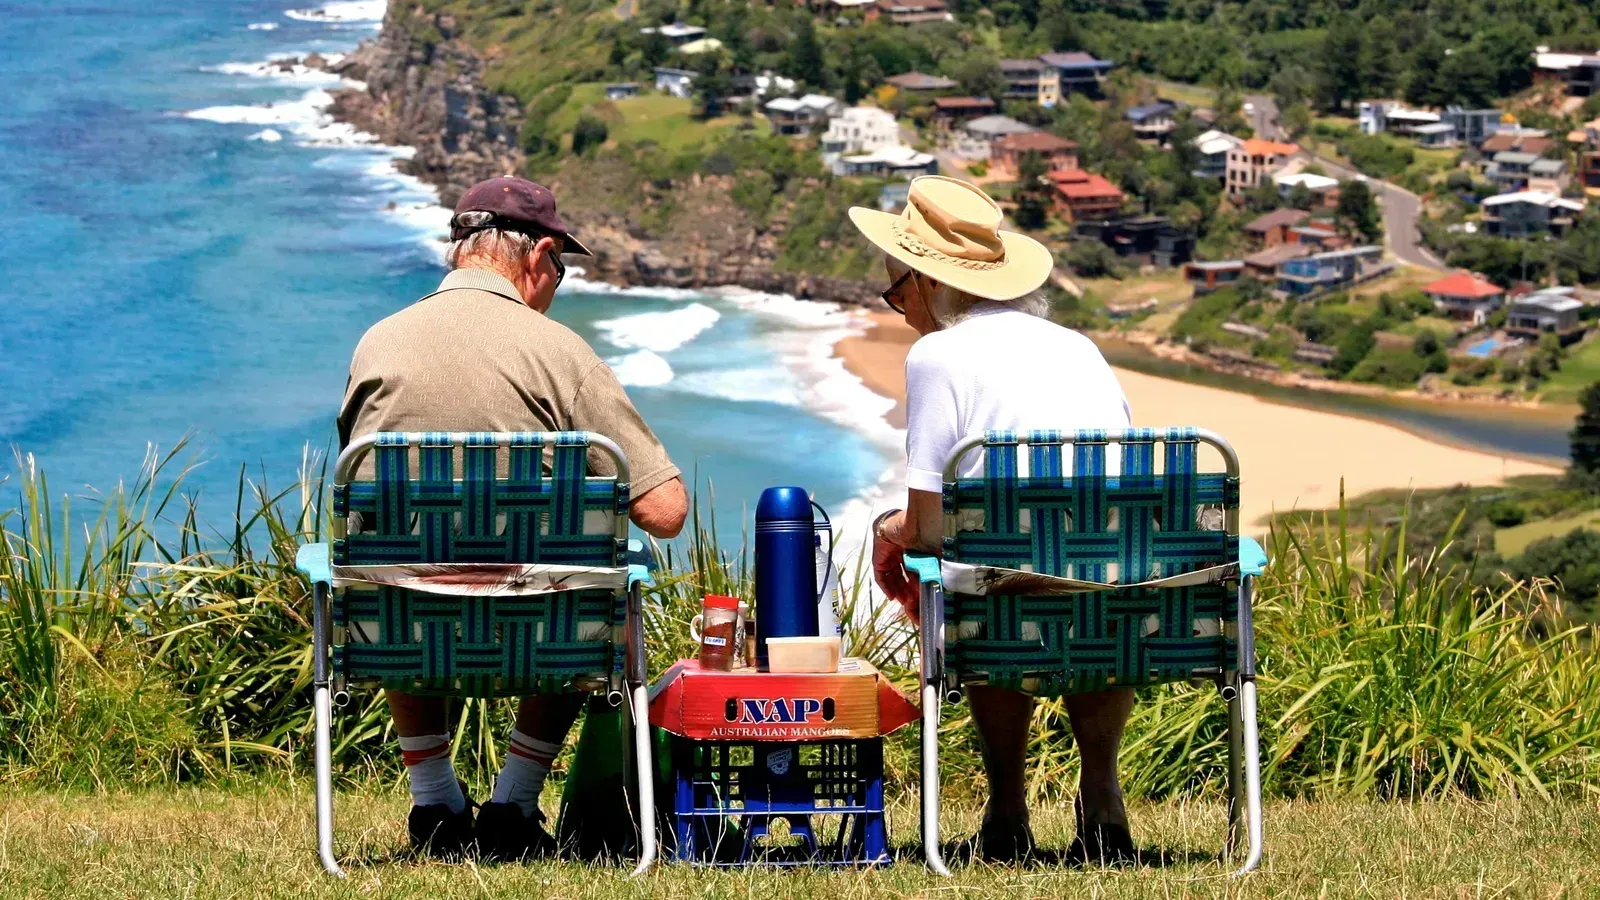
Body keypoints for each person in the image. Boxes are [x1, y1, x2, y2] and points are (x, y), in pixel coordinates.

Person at [337, 176, 689, 860]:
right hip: (544, 636)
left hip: (404, 629)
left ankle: (435, 805)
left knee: (400, 562)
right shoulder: (560, 352)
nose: (556, 284)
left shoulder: (376, 344)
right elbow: (665, 511)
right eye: (559, 268)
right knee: (582, 575)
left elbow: (368, 498)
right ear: (539, 256)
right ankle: (515, 805)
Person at [848, 176, 1135, 862]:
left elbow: (925, 528)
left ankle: (1007, 807)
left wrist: (886, 534)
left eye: (898, 293)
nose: (902, 311)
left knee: (986, 582)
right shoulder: (1078, 347)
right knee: (1071, 577)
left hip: (1006, 601)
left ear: (927, 283)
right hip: (1123, 599)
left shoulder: (939, 354)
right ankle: (1102, 797)